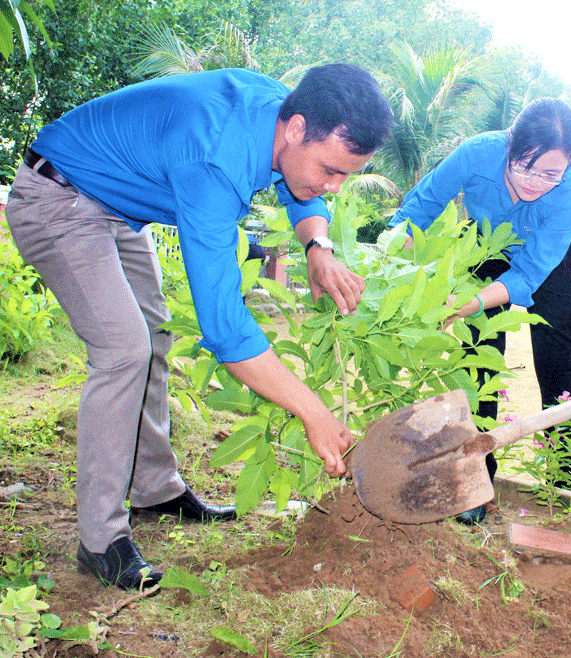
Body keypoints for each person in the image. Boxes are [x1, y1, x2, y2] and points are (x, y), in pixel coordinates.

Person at [5, 64, 393, 590]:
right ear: (297, 128)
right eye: (331, 170)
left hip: (116, 207)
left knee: (154, 337)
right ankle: (101, 540)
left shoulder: (282, 113)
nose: (333, 186)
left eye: (345, 174)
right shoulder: (214, 162)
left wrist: (317, 246)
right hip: (60, 199)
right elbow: (225, 327)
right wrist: (313, 411)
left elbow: (299, 187)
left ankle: (155, 488)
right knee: (124, 351)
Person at [390, 98, 571, 523]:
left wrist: (474, 301)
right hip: (485, 247)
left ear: (567, 166)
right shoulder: (476, 153)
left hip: (547, 265)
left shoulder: (570, 194)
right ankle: (477, 487)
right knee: (477, 361)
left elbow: (529, 273)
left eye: (550, 174)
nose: (535, 183)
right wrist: (391, 259)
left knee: (557, 362)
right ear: (508, 146)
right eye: (524, 167)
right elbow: (420, 209)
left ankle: (562, 478)